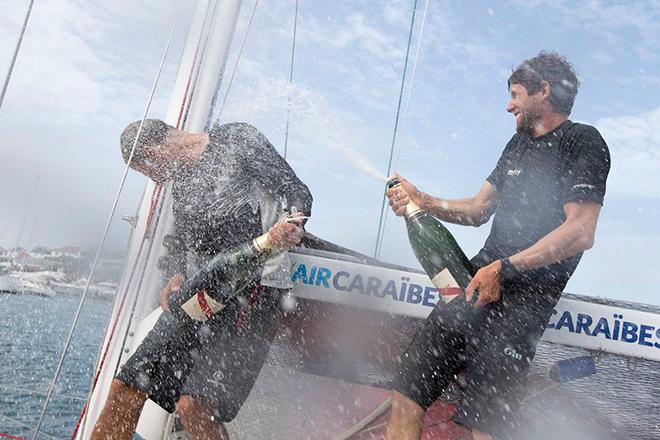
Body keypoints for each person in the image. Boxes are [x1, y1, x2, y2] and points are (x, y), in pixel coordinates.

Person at [384, 51, 610, 440]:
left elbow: (580, 231)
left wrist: (506, 268)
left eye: (516, 95)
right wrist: (424, 200)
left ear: (544, 90)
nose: (509, 106)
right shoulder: (517, 145)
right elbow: (478, 209)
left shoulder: (582, 141)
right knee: (407, 395)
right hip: (470, 287)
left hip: (522, 307)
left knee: (484, 428)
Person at [92, 119, 312, 440]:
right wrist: (176, 275)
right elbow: (187, 241)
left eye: (148, 171)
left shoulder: (237, 139)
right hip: (203, 294)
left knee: (193, 406)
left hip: (255, 289)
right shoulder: (180, 181)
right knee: (126, 385)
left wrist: (291, 224)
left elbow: (296, 190)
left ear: (154, 152)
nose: (156, 180)